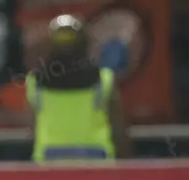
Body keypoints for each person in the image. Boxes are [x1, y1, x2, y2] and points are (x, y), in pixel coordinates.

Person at [28, 14, 131, 162]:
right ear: (84, 43)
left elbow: (32, 130)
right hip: (97, 163)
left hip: (50, 165)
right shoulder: (104, 79)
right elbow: (119, 132)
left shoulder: (35, 83)